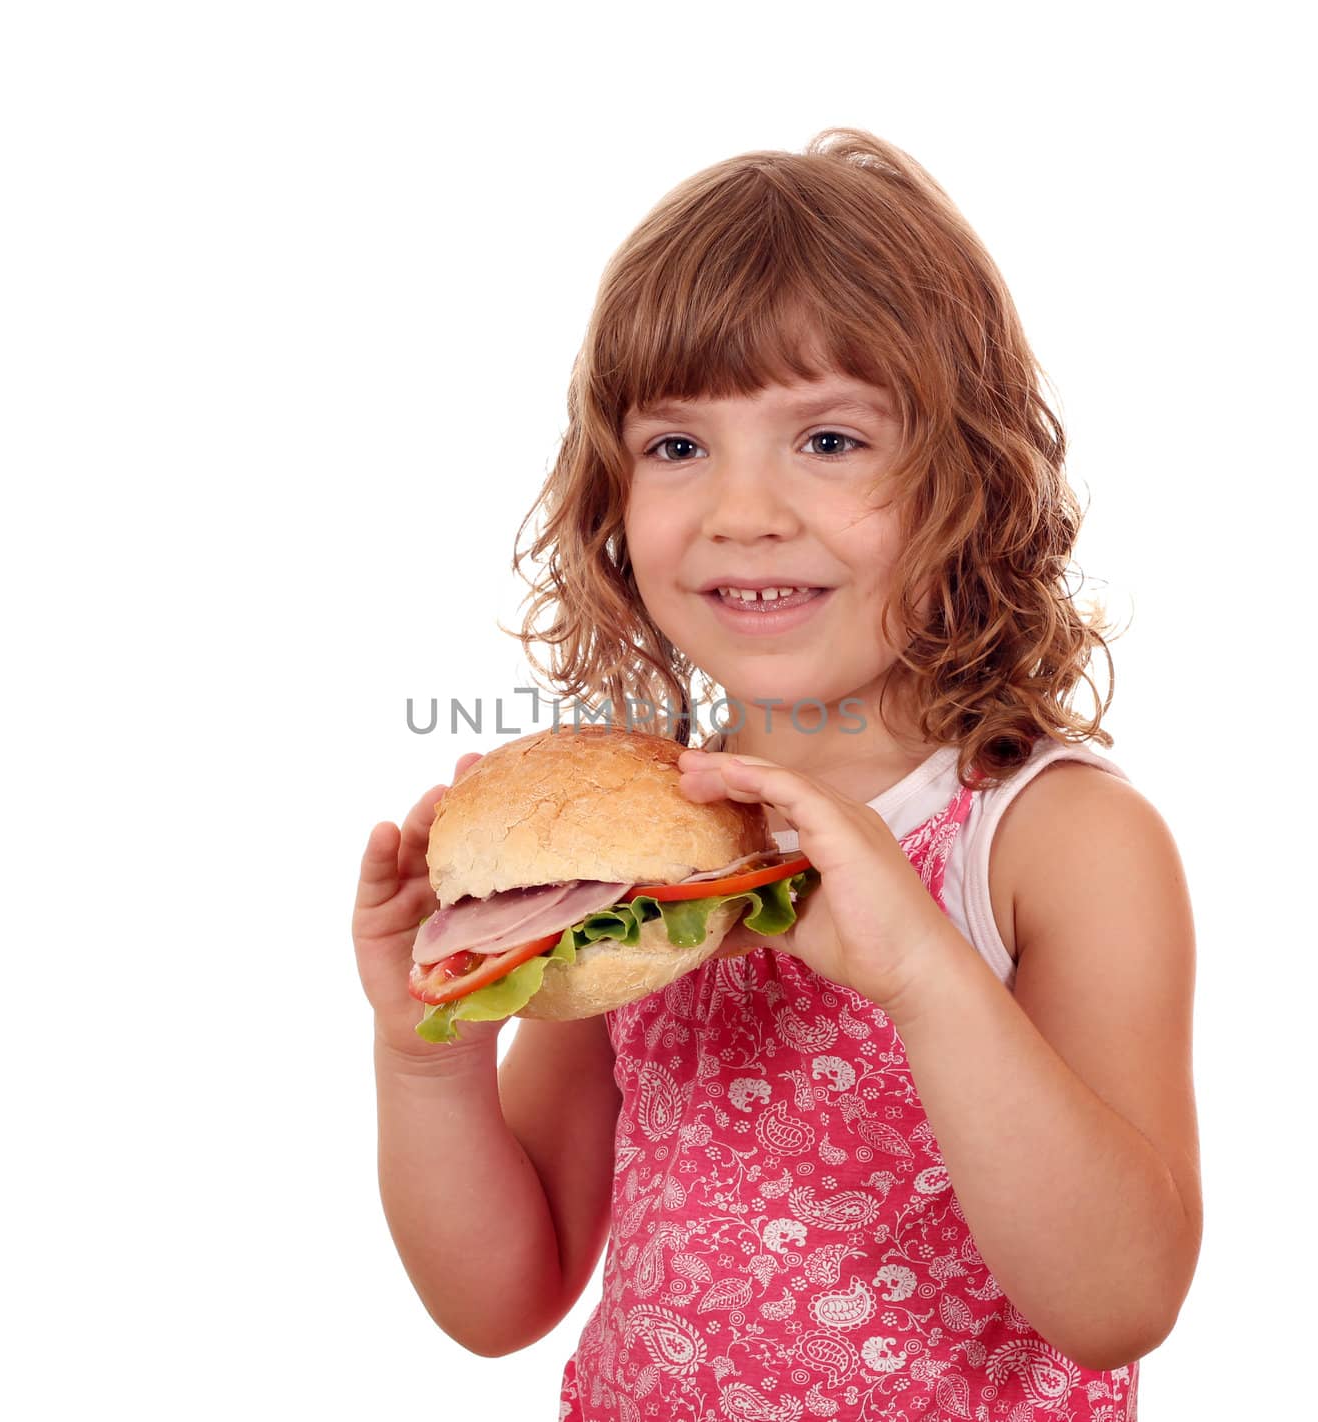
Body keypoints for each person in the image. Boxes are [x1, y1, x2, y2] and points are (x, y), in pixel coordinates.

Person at [354, 128, 1199, 1420]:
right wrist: (425, 1054)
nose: (743, 509)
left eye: (830, 441)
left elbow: (1120, 1297)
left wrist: (923, 969)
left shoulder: (1052, 839)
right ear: (610, 503)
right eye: (679, 448)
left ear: (963, 478)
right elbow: (506, 1290)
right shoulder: (645, 841)